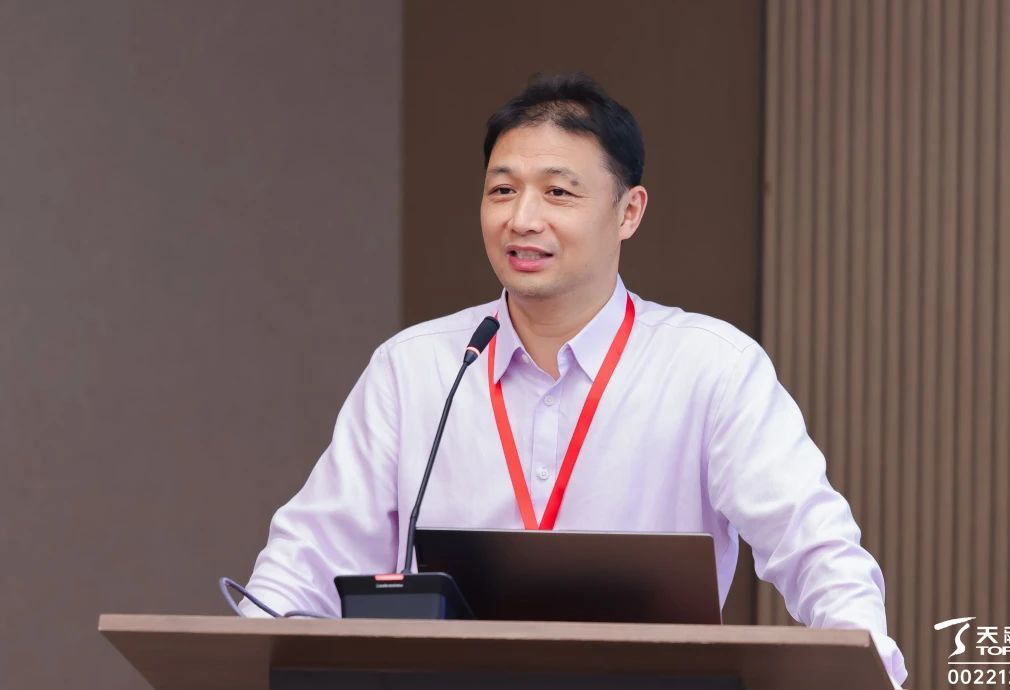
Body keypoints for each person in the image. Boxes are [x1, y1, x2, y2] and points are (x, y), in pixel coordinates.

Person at [240, 72, 908, 688]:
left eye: (558, 192)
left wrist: (865, 668)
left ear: (628, 212)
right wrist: (248, 655)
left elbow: (814, 545)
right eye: (502, 190)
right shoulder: (414, 369)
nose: (522, 219)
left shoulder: (711, 367)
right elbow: (305, 562)